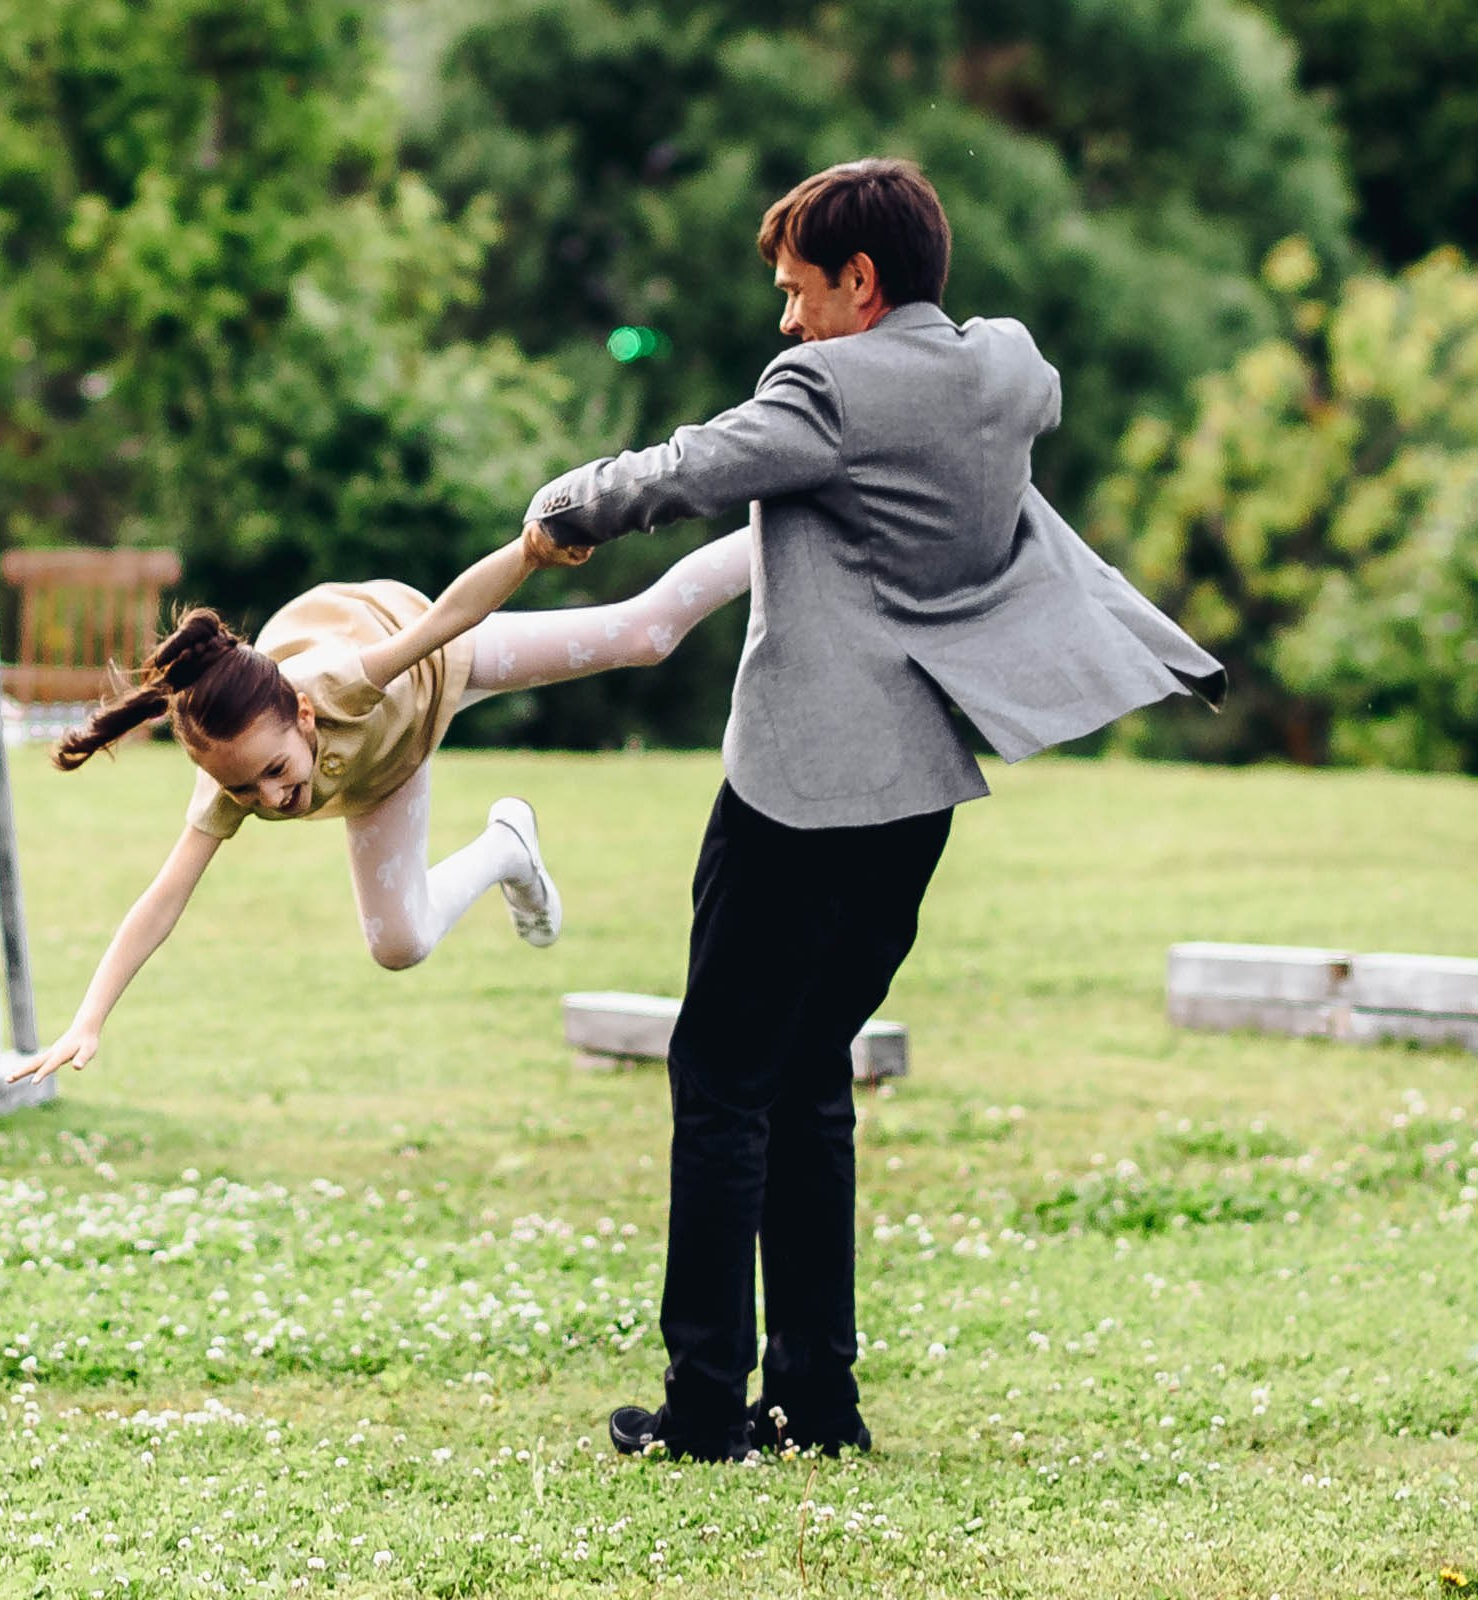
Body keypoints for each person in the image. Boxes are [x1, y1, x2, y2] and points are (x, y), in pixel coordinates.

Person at [517, 158, 1225, 1463]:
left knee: (718, 1077)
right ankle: (817, 1403)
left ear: (859, 282)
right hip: (915, 792)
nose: (782, 323)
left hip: (796, 787)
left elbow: (687, 468)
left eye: (797, 293)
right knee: (805, 1073)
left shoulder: (828, 390)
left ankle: (703, 1412)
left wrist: (565, 505)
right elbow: (1021, 384)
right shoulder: (1003, 372)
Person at [5, 525, 755, 1083]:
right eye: (244, 790)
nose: (269, 799)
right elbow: (162, 899)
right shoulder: (228, 778)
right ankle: (506, 848)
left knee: (646, 632)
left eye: (271, 771)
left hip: (435, 667)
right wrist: (88, 1018)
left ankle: (778, 519)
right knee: (398, 944)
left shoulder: (335, 682)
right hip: (383, 768)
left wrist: (527, 554)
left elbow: (445, 621)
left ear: (302, 717)